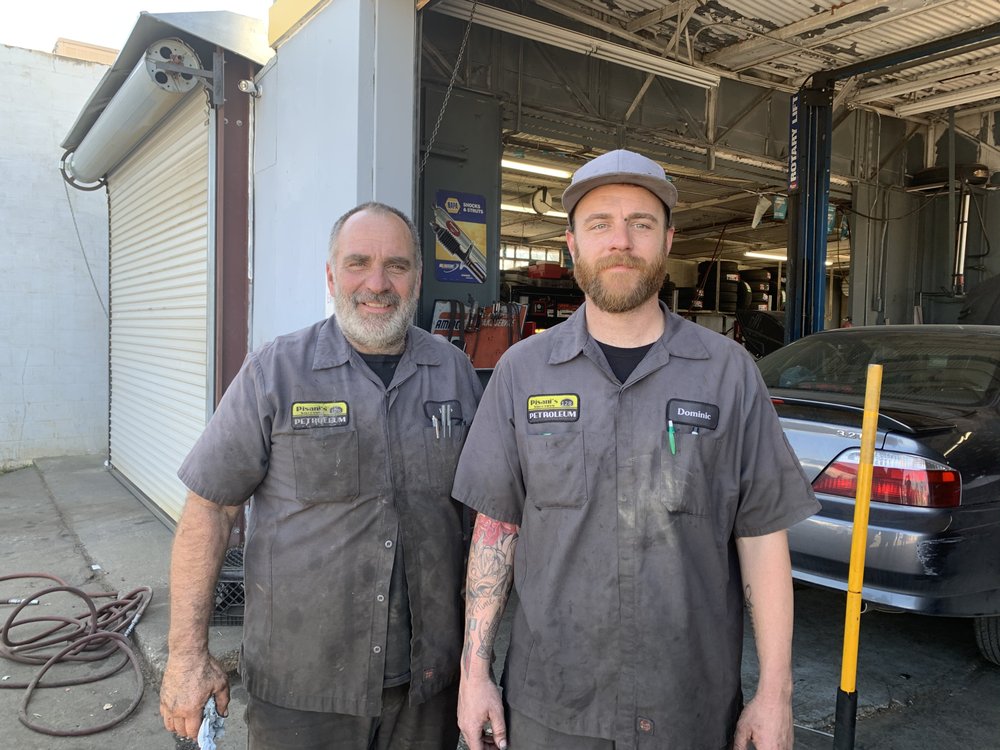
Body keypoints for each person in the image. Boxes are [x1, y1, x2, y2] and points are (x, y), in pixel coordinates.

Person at [453, 150, 820, 750]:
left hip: (689, 708)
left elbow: (761, 537)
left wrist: (775, 692)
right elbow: (496, 528)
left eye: (640, 223)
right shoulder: (522, 371)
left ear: (667, 241)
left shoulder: (728, 373)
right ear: (573, 244)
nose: (620, 241)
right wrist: (475, 674)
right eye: (600, 224)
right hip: (551, 708)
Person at [159, 202, 482, 749]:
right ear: (331, 277)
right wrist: (186, 655)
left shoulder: (453, 372)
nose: (377, 283)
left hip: (427, 686)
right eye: (358, 263)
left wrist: (478, 660)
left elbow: (485, 520)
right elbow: (210, 508)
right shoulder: (275, 371)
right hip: (302, 690)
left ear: (417, 278)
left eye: (396, 266)